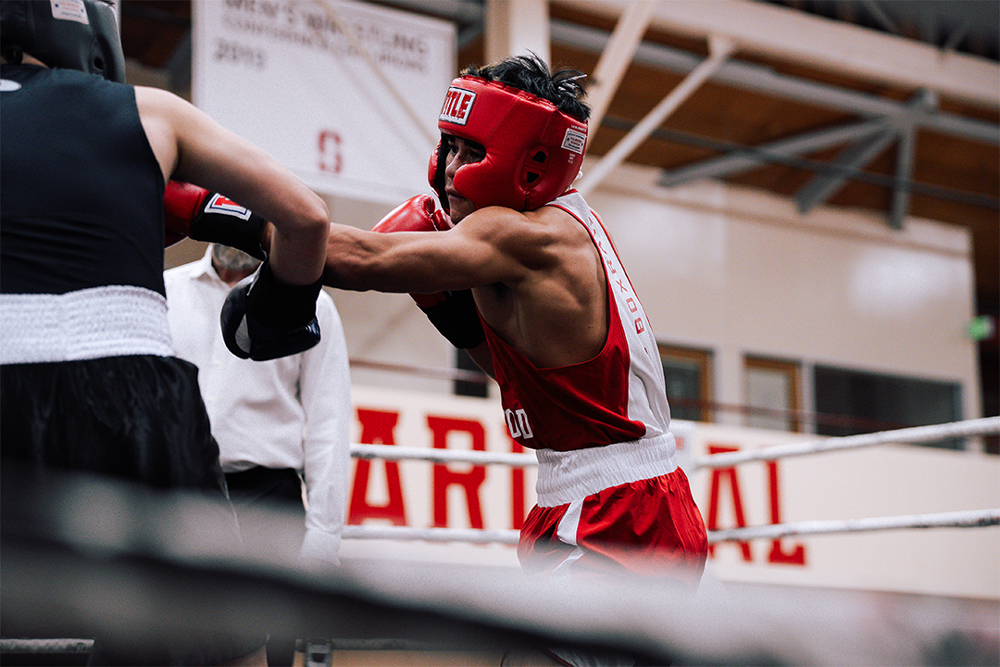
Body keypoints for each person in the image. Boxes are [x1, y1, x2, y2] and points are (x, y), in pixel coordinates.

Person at [1, 1, 328, 664]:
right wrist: (276, 314)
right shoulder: (149, 110)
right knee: (171, 629)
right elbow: (308, 217)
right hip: (131, 392)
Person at [320, 54, 709, 586]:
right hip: (607, 499)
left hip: (617, 513)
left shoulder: (524, 237)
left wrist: (223, 208)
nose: (451, 169)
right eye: (450, 146)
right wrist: (446, 307)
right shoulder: (555, 229)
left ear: (531, 163)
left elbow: (363, 260)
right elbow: (520, 379)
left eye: (473, 150)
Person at [164, 243, 351, 666]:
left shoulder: (311, 303)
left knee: (263, 654)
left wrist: (323, 538)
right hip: (177, 494)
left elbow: (330, 420)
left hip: (266, 501)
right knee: (166, 642)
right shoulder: (165, 291)